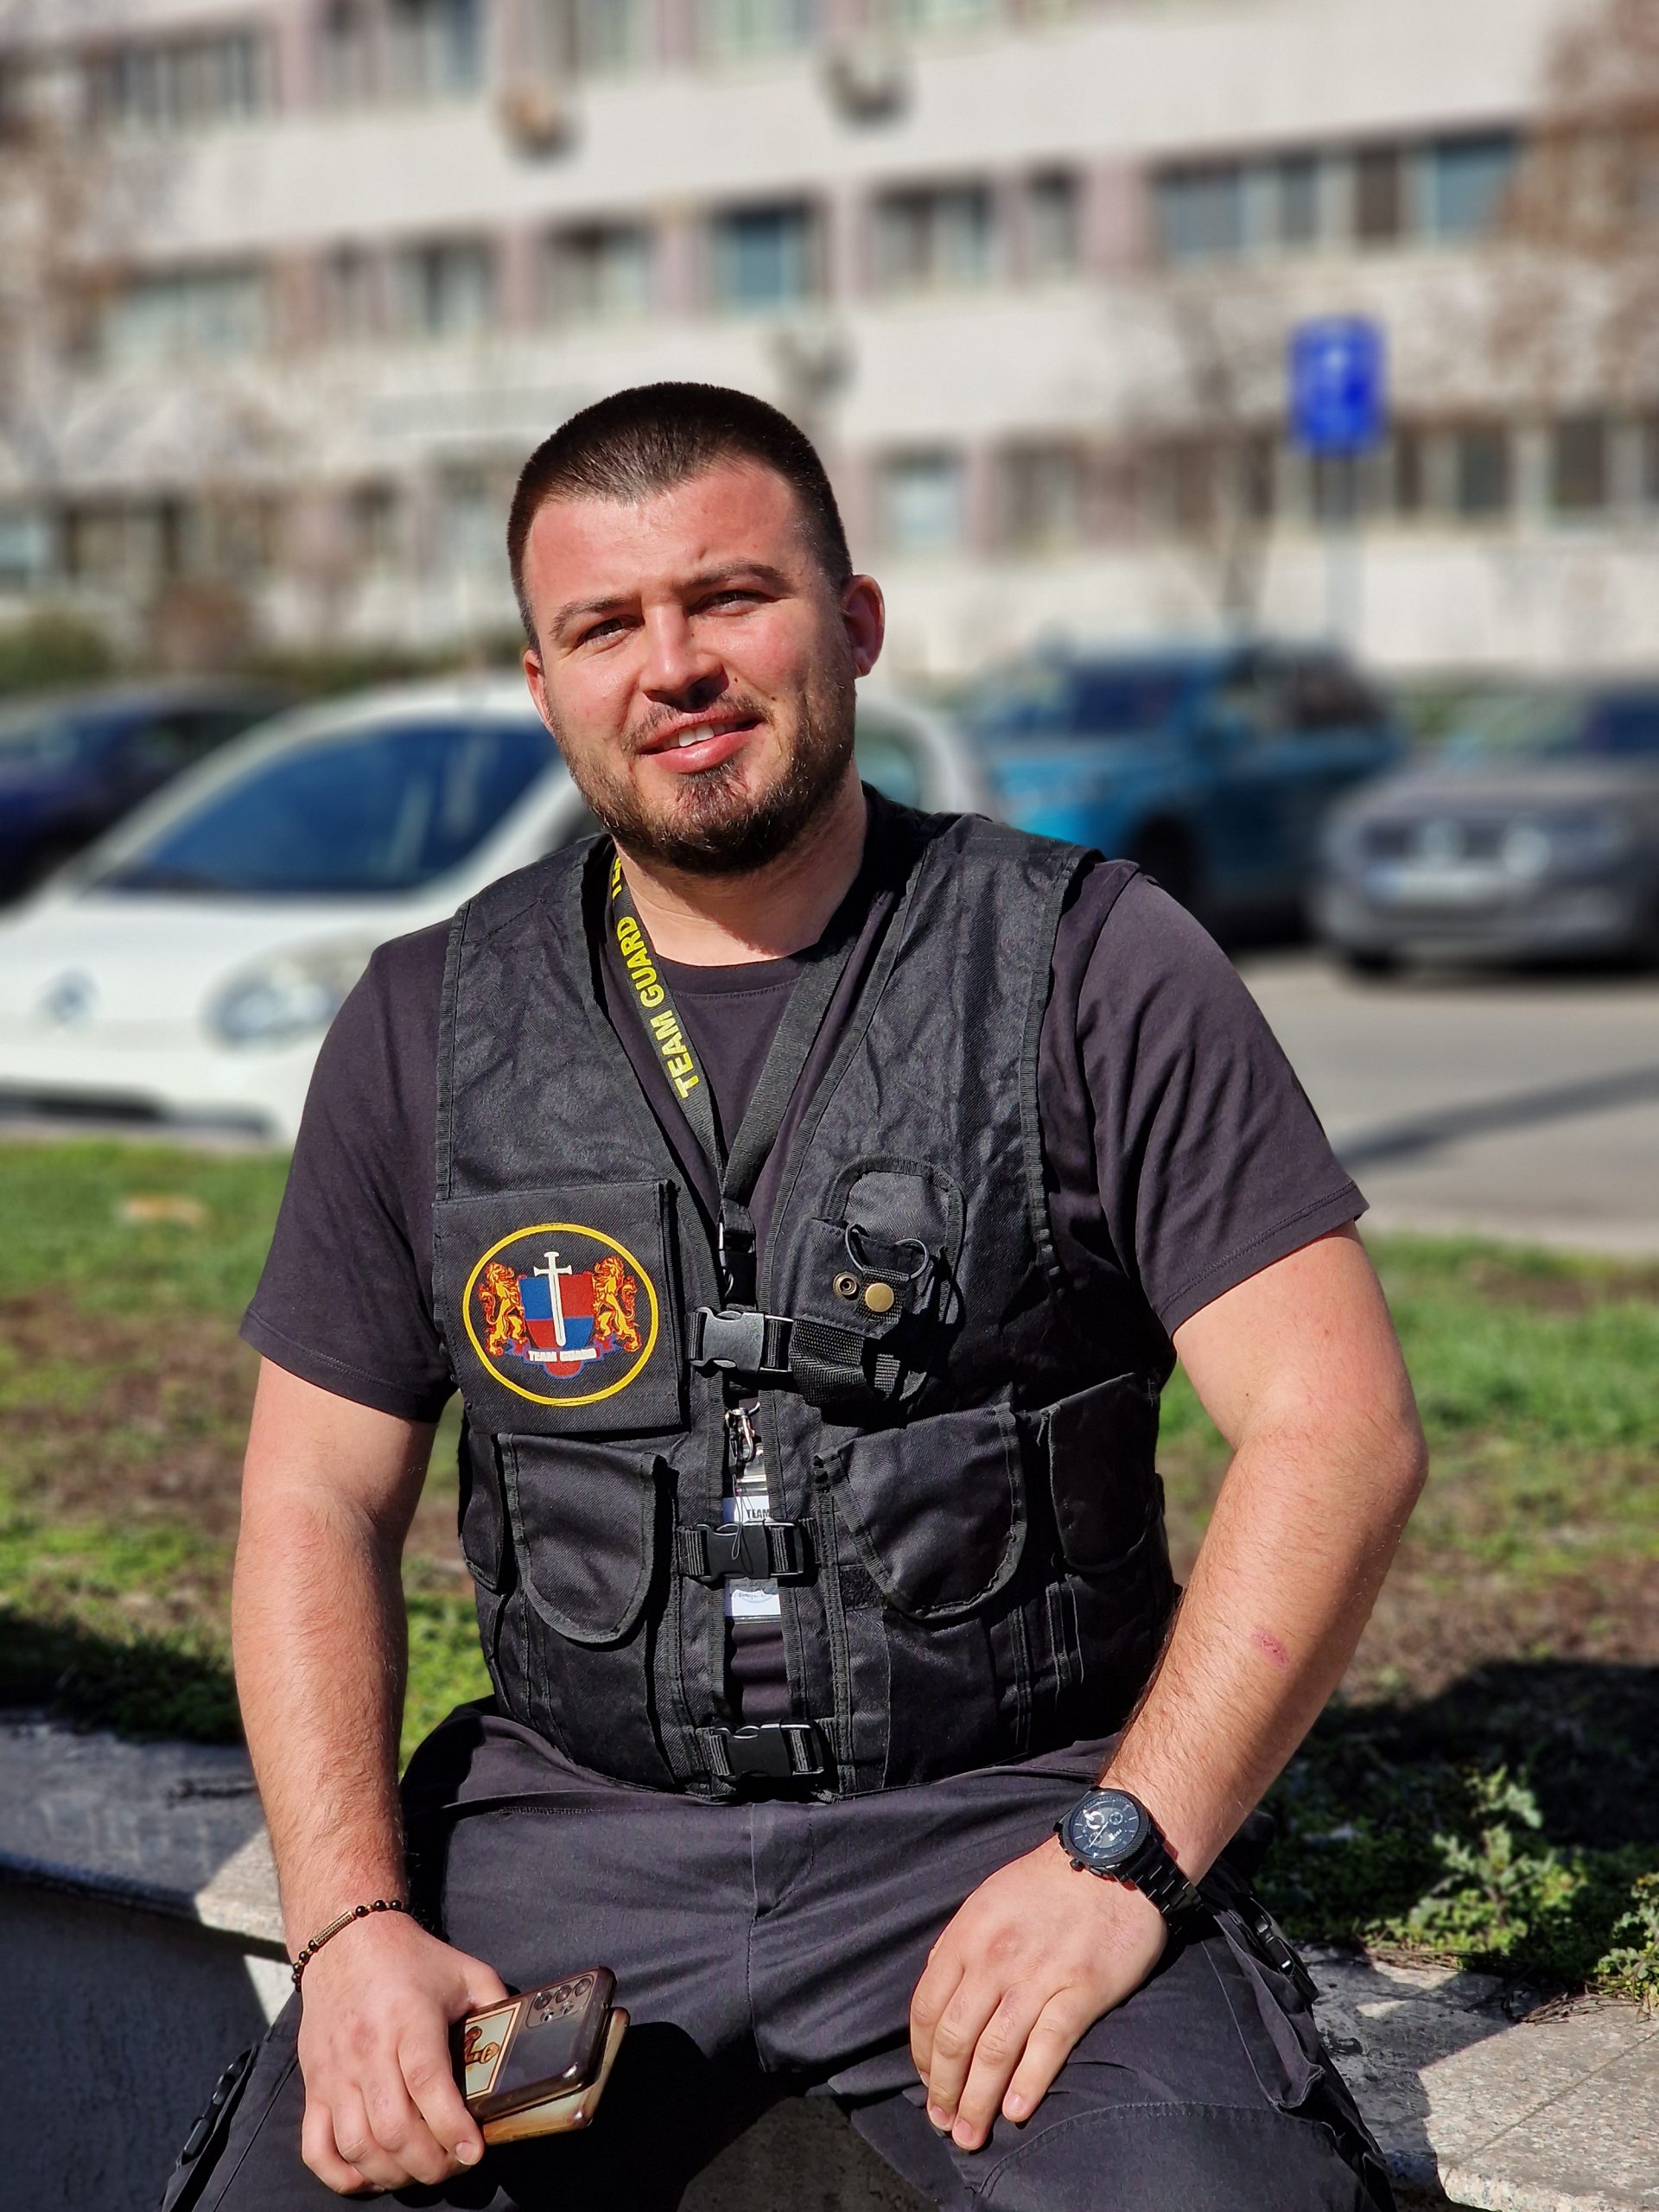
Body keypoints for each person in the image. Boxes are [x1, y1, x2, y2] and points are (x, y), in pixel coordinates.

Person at [168, 382, 1425, 2212]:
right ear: (544, 685)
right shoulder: (424, 1022)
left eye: (730, 596)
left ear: (855, 624)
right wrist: (352, 1924)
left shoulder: (1091, 963)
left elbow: (1336, 1429)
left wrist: (1121, 1854)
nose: (672, 664)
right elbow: (312, 1496)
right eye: (607, 624)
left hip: (1004, 1812)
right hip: (566, 1835)